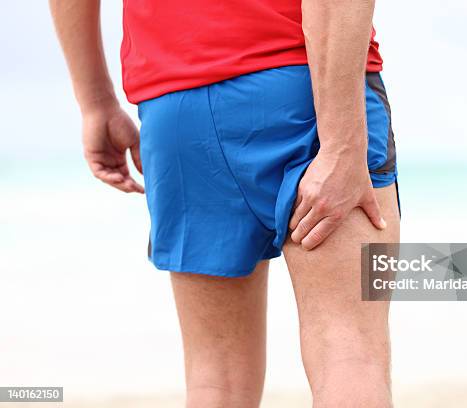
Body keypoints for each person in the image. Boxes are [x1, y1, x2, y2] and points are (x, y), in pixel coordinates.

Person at [50, 0, 400, 406]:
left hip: (176, 105)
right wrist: (341, 144)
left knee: (215, 381)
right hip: (303, 83)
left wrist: (95, 99)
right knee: (349, 351)